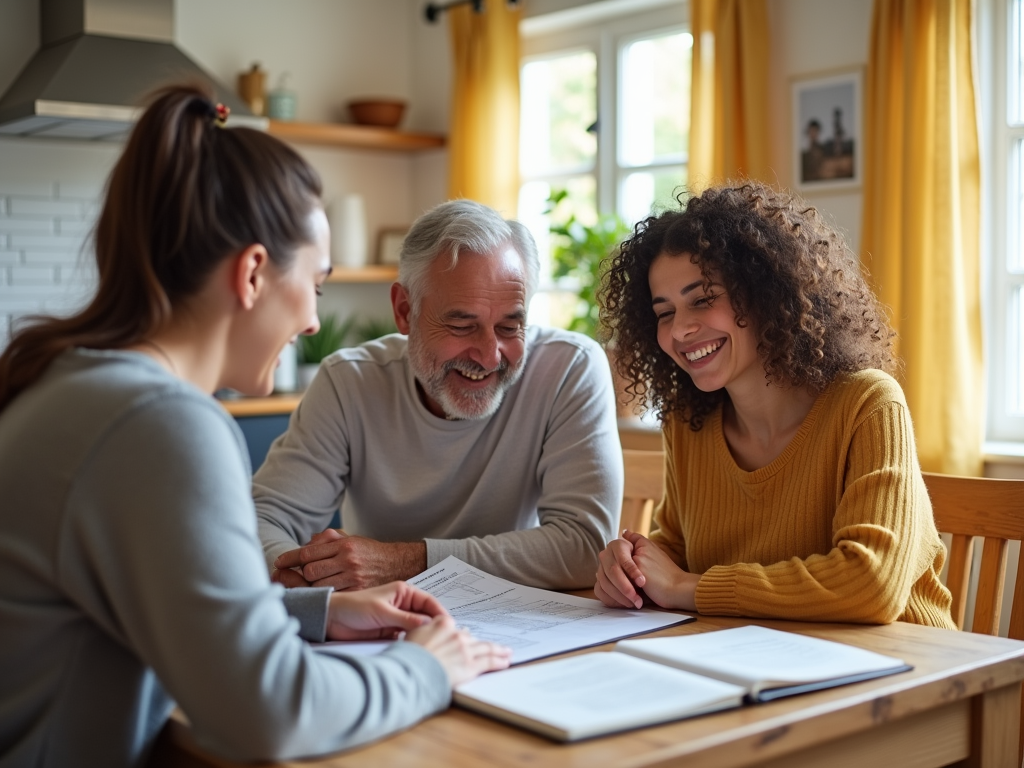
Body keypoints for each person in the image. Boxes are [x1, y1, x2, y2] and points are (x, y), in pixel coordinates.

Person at [0, 84, 510, 768]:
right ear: (252, 274)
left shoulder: (76, 386)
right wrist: (425, 669)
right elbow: (273, 712)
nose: (313, 322)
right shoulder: (162, 424)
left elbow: (155, 603)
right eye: (318, 286)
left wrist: (319, 611)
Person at [594, 181, 956, 629]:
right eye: (664, 312)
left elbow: (872, 583)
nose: (681, 329)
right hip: (765, 660)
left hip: (909, 673)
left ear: (767, 294)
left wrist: (687, 588)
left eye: (703, 299)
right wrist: (632, 568)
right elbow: (678, 549)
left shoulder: (868, 404)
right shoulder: (689, 423)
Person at [258, 199, 623, 592]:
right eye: (461, 325)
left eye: (508, 326)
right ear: (404, 310)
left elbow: (587, 548)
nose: (488, 356)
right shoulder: (348, 382)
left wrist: (402, 562)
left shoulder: (569, 368)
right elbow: (261, 519)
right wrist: (300, 581)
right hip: (382, 628)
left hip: (523, 627)